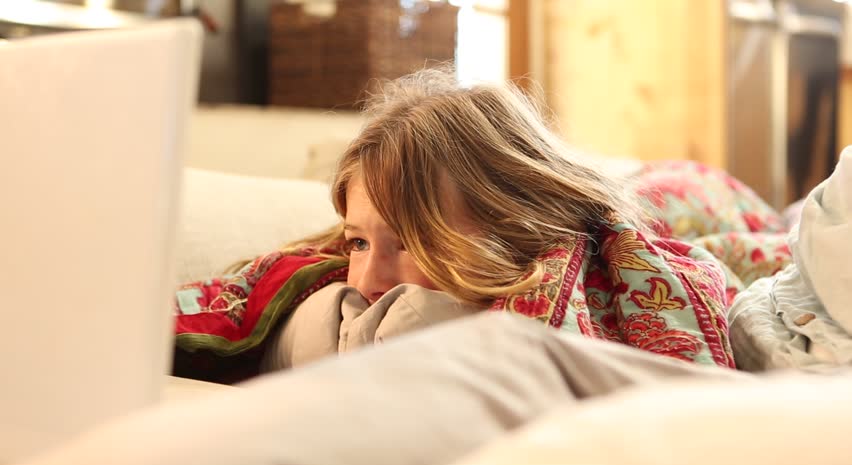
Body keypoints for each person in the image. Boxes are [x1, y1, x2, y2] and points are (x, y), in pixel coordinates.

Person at [172, 68, 735, 383]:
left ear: (509, 228)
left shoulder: (597, 268)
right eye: (360, 242)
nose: (367, 282)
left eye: (411, 241)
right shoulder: (336, 281)